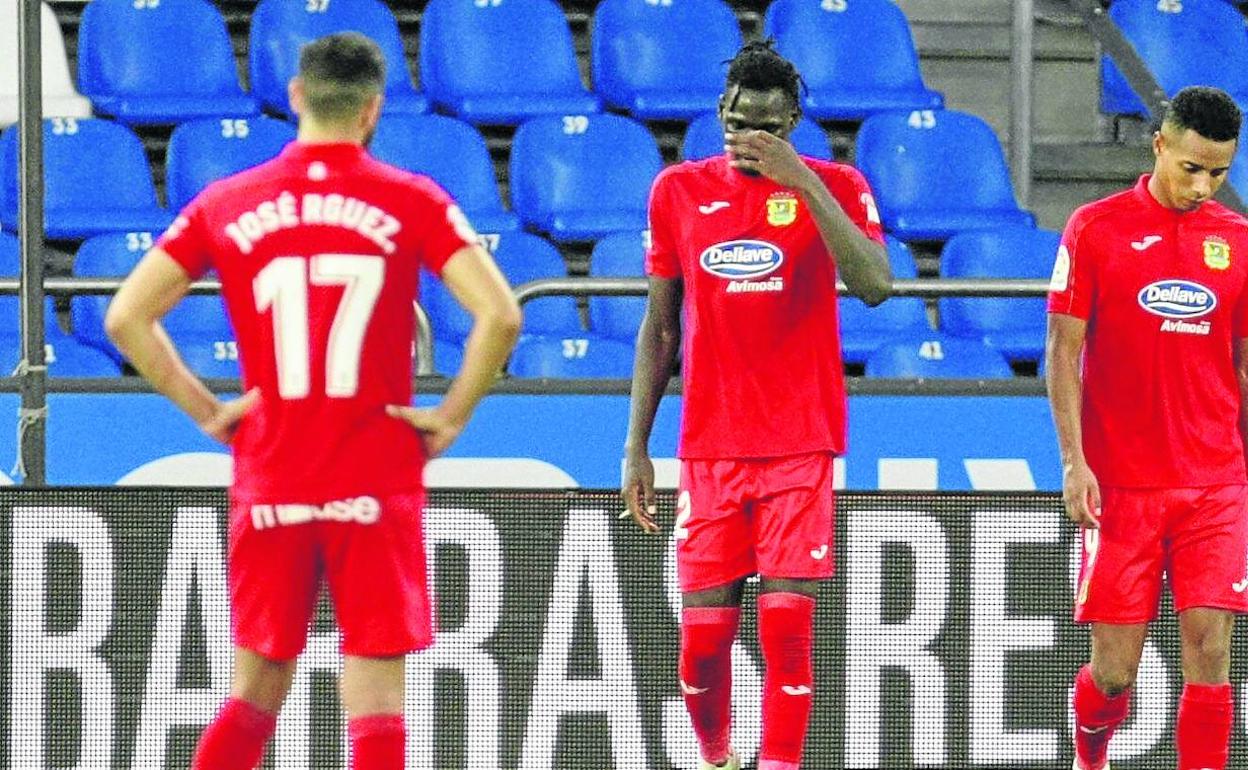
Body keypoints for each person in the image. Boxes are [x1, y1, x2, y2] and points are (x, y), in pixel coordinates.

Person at [105, 33, 520, 770]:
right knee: (376, 694)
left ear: (295, 95)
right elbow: (501, 314)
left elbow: (126, 317)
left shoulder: (227, 201)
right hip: (374, 463)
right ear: (372, 110)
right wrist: (452, 414)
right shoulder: (411, 199)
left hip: (272, 466)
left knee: (256, 687)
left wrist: (208, 410)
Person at [621, 39, 892, 770]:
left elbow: (874, 284)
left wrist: (800, 179)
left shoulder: (836, 183)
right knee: (702, 647)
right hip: (709, 444)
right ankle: (717, 758)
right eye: (739, 123)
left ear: (795, 120)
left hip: (800, 441)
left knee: (784, 629)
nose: (750, 139)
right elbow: (661, 325)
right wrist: (635, 445)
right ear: (721, 112)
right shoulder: (677, 189)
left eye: (768, 126)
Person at [1048, 85, 1248, 770]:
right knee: (1114, 674)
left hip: (1215, 481)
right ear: (1159, 145)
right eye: (1191, 167)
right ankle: (1091, 751)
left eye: (1218, 172)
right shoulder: (1095, 228)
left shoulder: (1239, 242)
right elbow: (1063, 352)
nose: (1204, 185)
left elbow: (1244, 368)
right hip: (1122, 485)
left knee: (1211, 651)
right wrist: (1075, 463)